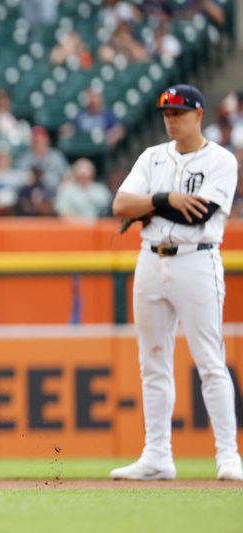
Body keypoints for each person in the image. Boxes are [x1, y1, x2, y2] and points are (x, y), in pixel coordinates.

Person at [110, 84, 243, 481]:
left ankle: (228, 455)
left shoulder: (220, 159)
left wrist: (147, 207)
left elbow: (198, 216)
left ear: (199, 114)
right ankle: (157, 456)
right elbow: (119, 205)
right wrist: (165, 200)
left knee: (210, 362)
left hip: (196, 260)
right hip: (151, 262)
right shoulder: (152, 157)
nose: (171, 119)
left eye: (179, 113)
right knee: (152, 363)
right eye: (167, 114)